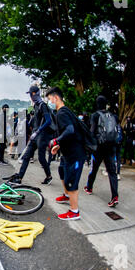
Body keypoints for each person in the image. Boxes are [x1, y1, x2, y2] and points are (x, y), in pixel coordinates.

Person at [47, 87, 87, 221]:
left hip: (75, 154)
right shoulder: (64, 111)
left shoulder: (62, 113)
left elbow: (69, 130)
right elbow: (69, 133)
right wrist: (59, 145)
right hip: (68, 152)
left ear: (56, 98)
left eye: (49, 99)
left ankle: (74, 211)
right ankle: (67, 195)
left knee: (71, 181)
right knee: (62, 171)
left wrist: (56, 140)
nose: (49, 102)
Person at [4, 85, 56, 185]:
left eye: (31, 94)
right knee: (26, 156)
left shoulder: (42, 105)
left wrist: (38, 131)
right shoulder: (36, 106)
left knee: (41, 158)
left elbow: (48, 121)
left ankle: (48, 176)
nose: (31, 97)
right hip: (35, 135)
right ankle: (19, 177)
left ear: (35, 93)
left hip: (42, 135)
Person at [83, 96, 119, 207]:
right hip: (111, 146)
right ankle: (114, 196)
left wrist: (89, 147)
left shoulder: (95, 115)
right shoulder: (113, 116)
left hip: (99, 147)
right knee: (112, 172)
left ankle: (89, 187)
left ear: (97, 104)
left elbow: (92, 131)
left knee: (94, 168)